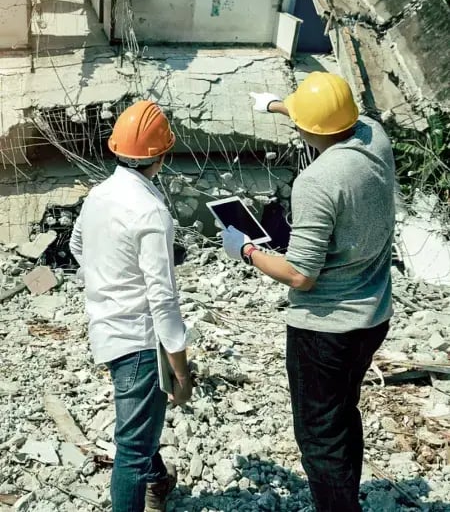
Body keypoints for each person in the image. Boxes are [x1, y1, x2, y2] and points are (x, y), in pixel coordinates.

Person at [222, 72, 395, 512]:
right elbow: (329, 119)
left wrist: (245, 250)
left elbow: (301, 275)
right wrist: (279, 105)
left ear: (309, 129)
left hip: (325, 330)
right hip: (372, 315)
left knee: (320, 436)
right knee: (342, 414)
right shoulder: (374, 138)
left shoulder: (317, 181)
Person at [70, 100, 192, 512]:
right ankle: (146, 484)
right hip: (138, 342)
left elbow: (76, 246)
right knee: (131, 451)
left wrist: (104, 286)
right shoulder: (152, 211)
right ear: (161, 155)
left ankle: (160, 482)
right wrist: (180, 368)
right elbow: (162, 296)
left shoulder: (98, 195)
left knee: (137, 423)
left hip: (104, 329)